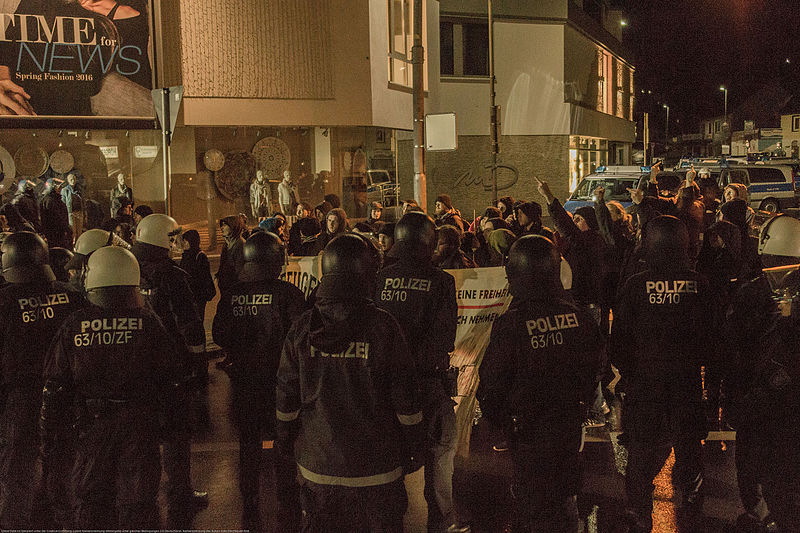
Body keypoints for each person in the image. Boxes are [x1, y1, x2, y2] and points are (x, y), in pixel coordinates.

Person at [277, 234, 423, 531]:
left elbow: (286, 401)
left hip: (319, 467)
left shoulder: (302, 329)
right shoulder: (384, 327)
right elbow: (406, 400)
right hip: (377, 470)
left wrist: (288, 443)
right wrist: (415, 446)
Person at [42, 246, 179, 529]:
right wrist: (172, 425)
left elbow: (56, 385)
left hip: (93, 425)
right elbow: (169, 378)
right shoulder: (148, 322)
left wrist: (51, 434)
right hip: (140, 425)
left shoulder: (74, 325)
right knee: (139, 501)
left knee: (92, 499)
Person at [478, 235, 605, 532]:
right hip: (568, 426)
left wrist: (499, 421)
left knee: (533, 504)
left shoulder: (512, 323)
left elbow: (492, 383)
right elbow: (596, 370)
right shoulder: (579, 317)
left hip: (528, 432)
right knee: (565, 496)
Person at [610, 216, 713, 532]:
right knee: (689, 450)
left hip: (646, 387)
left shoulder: (635, 286)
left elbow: (619, 344)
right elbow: (715, 339)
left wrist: (632, 372)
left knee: (642, 455)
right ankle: (693, 510)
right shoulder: (700, 285)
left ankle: (640, 514)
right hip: (686, 385)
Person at [375, 213, 470, 533]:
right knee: (441, 449)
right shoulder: (442, 281)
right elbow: (445, 338)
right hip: (426, 383)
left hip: (384, 385)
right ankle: (442, 522)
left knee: (389, 455)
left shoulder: (380, 278)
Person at [212, 231, 305, 529]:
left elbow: (219, 335)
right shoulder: (287, 294)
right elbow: (302, 337)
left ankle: (249, 497)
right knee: (284, 441)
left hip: (244, 383)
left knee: (248, 443)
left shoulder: (232, 295)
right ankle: (286, 499)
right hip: (281, 383)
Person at [722, 214, 800, 533]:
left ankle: (764, 515)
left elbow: (731, 349)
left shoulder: (752, 292)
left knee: (766, 478)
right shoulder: (759, 293)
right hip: (774, 403)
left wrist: (732, 399)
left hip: (762, 403)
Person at [0, 232, 84, 529]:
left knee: (18, 471)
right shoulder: (70, 295)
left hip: (22, 398)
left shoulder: (5, 301)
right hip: (68, 394)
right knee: (65, 466)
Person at [131, 214, 208, 526]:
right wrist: (196, 363)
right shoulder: (170, 274)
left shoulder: (129, 267)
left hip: (134, 363)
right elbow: (189, 324)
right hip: (170, 365)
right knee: (176, 432)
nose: (176, 242)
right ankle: (179, 492)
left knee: (141, 434)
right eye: (172, 236)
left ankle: (142, 493)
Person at [179, 229, 216, 383]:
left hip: (197, 298)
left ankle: (200, 365)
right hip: (189, 298)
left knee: (196, 327)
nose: (183, 243)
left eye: (186, 241)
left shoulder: (199, 256)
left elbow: (202, 278)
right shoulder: (186, 256)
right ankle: (195, 364)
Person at [216, 214, 247, 296]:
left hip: (235, 290)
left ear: (233, 226)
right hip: (226, 289)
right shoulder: (226, 245)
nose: (222, 228)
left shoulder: (241, 245)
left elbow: (240, 271)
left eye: (225, 225)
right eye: (221, 226)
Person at [39, 179, 72, 249]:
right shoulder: (51, 201)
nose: (61, 189)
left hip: (56, 233)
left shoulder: (53, 199)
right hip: (56, 234)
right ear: (52, 188)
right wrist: (66, 228)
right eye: (59, 188)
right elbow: (57, 218)